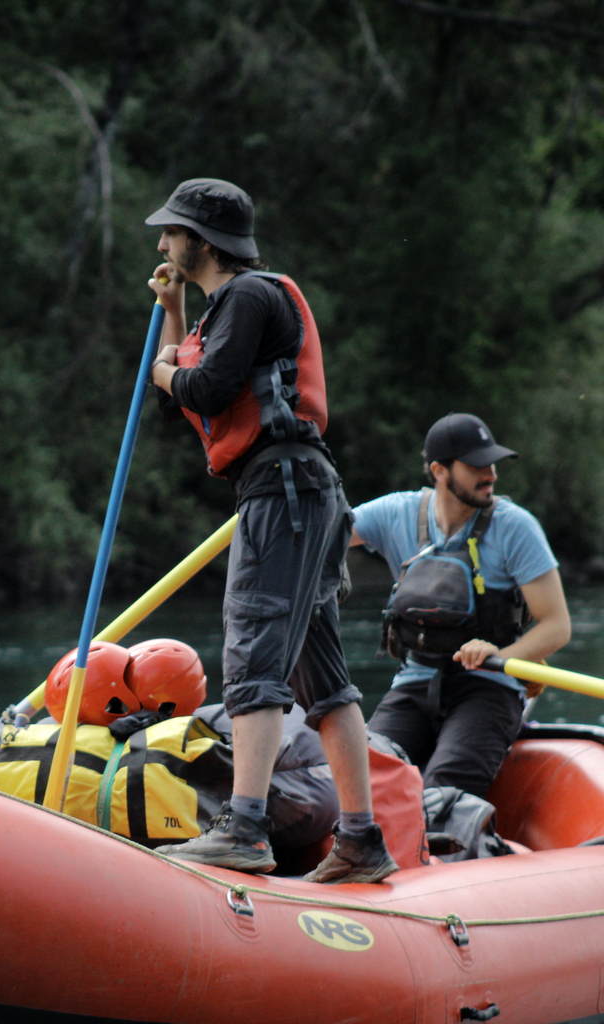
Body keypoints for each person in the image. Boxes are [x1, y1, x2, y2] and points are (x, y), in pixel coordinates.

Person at [144, 178, 396, 883]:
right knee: (325, 680)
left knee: (252, 653)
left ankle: (245, 829)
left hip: (283, 492)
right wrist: (173, 313)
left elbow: (204, 388)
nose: (162, 244)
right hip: (301, 491)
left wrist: (165, 368)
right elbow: (189, 386)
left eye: (171, 233)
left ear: (202, 240)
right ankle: (361, 842)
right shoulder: (228, 307)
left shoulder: (251, 296)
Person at [352, 412, 571, 799]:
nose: (490, 475)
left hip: (489, 687)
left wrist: (500, 654)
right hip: (414, 682)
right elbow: (323, 531)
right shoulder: (396, 512)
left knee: (444, 791)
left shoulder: (516, 527)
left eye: (492, 464)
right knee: (362, 789)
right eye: (476, 466)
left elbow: (557, 626)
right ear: (439, 470)